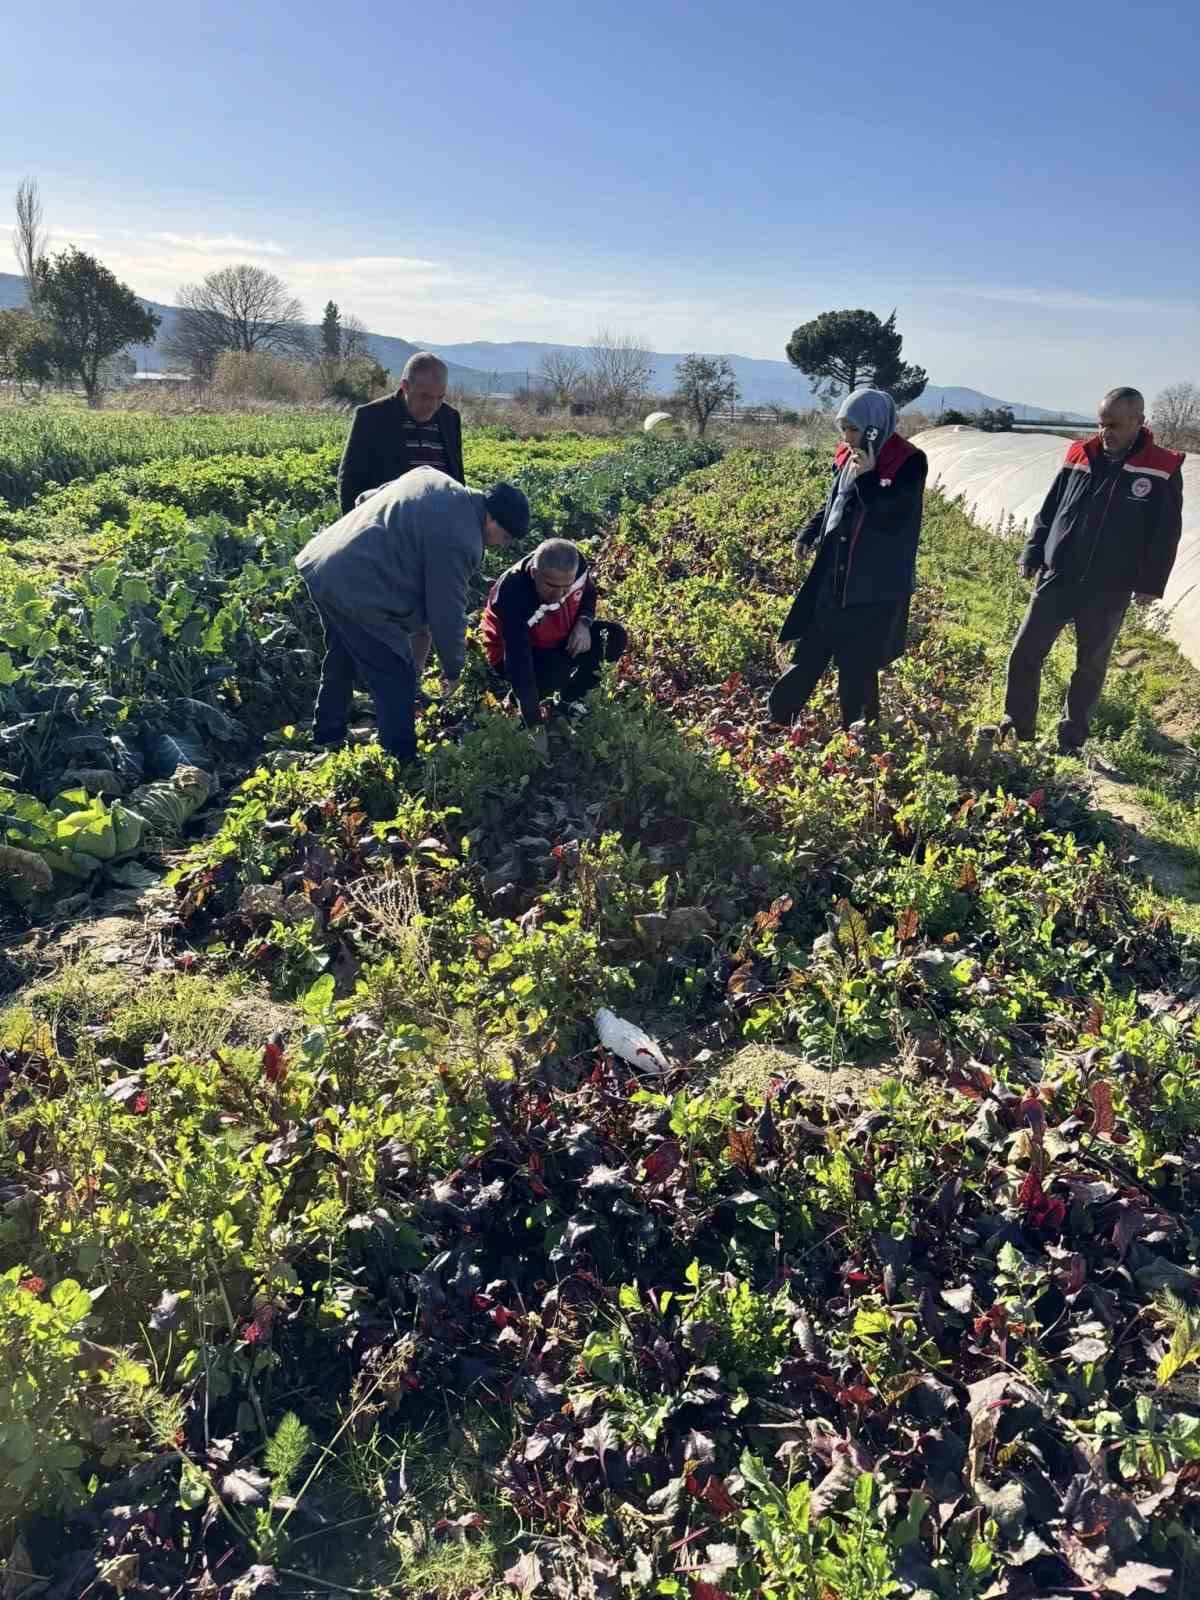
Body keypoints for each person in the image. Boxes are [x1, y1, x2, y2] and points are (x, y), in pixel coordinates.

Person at [295, 468, 529, 762]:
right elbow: (447, 610)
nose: (502, 545)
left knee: (343, 652)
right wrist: (453, 668)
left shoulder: (434, 479)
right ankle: (400, 759)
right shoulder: (463, 539)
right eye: (505, 537)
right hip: (358, 589)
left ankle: (327, 734)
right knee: (394, 674)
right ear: (491, 517)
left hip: (324, 562)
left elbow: (366, 498)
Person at [1001, 387, 1184, 754]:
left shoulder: (1161, 467)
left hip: (1109, 585)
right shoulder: (1079, 454)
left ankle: (1071, 739)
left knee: (1090, 665)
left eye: (1114, 425)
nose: (1105, 432)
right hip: (1059, 574)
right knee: (1025, 651)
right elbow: (1050, 509)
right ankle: (1018, 726)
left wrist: (1151, 583)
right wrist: (1033, 552)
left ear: (1139, 421)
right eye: (1101, 424)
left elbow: (1166, 532)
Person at [769, 388, 927, 730]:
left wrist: (870, 477)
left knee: (858, 663)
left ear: (875, 426)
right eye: (844, 428)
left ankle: (858, 734)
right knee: (811, 650)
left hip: (872, 585)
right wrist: (808, 533)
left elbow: (895, 518)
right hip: (835, 573)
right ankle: (780, 719)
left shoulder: (909, 461)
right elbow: (834, 503)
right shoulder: (847, 455)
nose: (847, 436)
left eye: (854, 429)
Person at [337, 352, 466, 688]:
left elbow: (456, 478)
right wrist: (359, 535)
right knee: (385, 618)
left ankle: (411, 682)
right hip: (387, 538)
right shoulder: (372, 417)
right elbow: (349, 481)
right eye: (425, 397)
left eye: (440, 398)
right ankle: (376, 688)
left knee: (423, 615)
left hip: (433, 540)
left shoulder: (449, 419)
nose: (433, 406)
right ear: (404, 386)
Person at [481, 538, 626, 746]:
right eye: (551, 586)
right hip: (511, 652)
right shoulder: (512, 593)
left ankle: (568, 698)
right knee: (556, 671)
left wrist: (583, 624)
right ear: (534, 574)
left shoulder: (576, 566)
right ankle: (515, 703)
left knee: (614, 637)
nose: (559, 596)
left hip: (557, 636)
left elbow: (588, 595)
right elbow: (518, 663)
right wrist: (536, 728)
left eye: (565, 588)